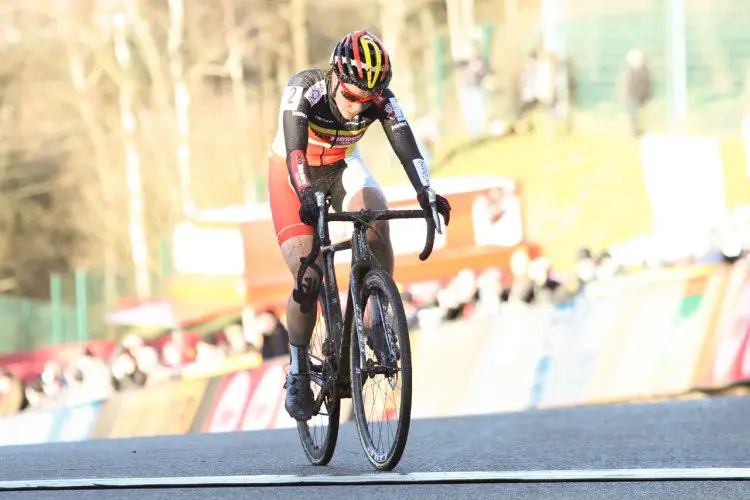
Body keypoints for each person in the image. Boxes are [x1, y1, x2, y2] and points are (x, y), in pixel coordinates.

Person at [267, 30, 451, 421]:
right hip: (293, 173)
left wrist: (427, 193)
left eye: (367, 100)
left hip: (341, 164)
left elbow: (407, 146)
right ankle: (299, 368)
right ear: (334, 76)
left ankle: (374, 314)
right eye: (351, 96)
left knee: (376, 216)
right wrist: (305, 197)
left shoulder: (378, 97)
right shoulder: (304, 90)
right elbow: (295, 153)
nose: (357, 107)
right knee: (309, 278)